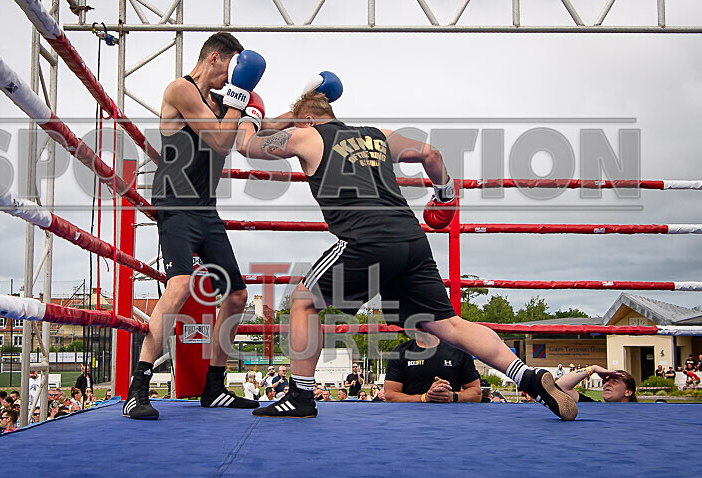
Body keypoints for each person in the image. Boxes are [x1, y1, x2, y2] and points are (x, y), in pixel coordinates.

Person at [240, 91, 576, 420]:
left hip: (366, 239)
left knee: (303, 301)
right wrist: (445, 198)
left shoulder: (306, 136)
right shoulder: (378, 136)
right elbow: (432, 154)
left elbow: (247, 144)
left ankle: (300, 395)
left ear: (308, 121)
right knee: (449, 324)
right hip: (411, 239)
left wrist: (249, 111)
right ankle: (528, 378)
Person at [123, 32, 268, 420]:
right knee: (181, 285)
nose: (232, 78)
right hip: (175, 203)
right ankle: (137, 389)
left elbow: (250, 138)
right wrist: (239, 97)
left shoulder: (223, 101)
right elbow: (221, 141)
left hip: (206, 209)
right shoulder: (181, 90)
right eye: (232, 69)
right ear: (216, 58)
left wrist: (303, 113)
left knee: (236, 296)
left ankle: (215, 386)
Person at [384, 333, 481, 404]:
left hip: (451, 417)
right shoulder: (400, 352)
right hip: (411, 418)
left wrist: (453, 396)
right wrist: (424, 398)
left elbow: (476, 394)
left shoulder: (458, 351)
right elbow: (390, 395)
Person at [555, 365, 637, 402]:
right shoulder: (594, 406)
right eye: (606, 381)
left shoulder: (640, 414)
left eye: (615, 382)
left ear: (628, 392)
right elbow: (560, 386)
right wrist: (593, 368)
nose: (607, 384)